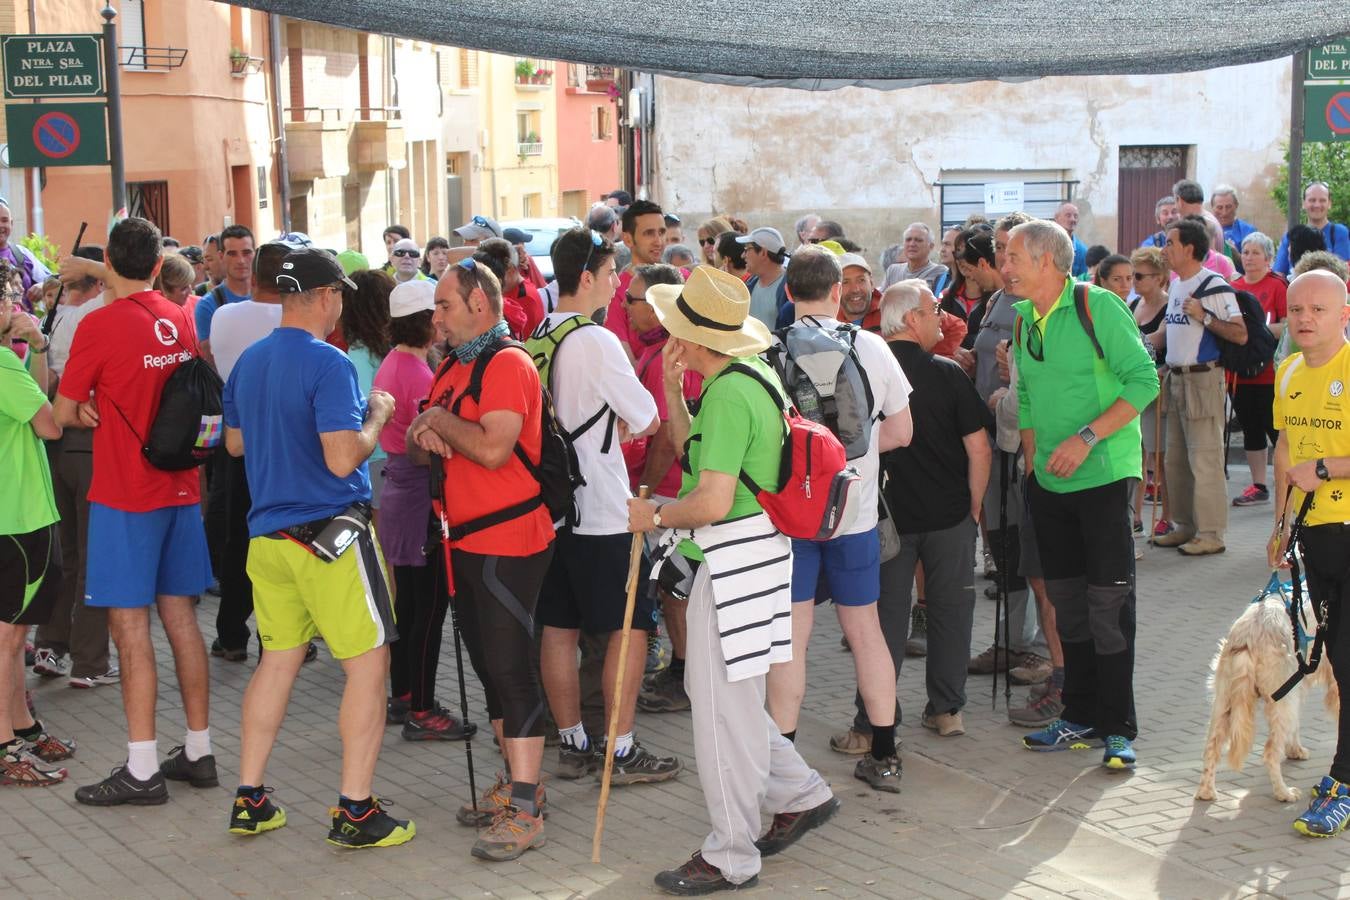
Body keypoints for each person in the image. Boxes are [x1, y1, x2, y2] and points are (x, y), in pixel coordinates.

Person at [628, 265, 837, 895]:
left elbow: (711, 498)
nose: (670, 339)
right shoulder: (752, 376)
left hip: (730, 559)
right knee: (735, 701)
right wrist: (673, 394)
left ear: (693, 339)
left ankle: (731, 855)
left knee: (719, 712)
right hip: (760, 555)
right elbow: (706, 457)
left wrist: (654, 514)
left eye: (676, 332)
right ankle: (800, 793)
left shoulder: (726, 392)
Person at [221, 246, 410, 848]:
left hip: (268, 539)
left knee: (277, 661)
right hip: (328, 535)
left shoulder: (250, 361)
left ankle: (250, 799)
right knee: (367, 664)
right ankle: (355, 810)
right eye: (338, 298)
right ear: (326, 296)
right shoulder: (329, 364)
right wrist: (377, 413)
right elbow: (342, 456)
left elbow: (232, 445)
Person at [55, 217, 216, 806]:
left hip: (126, 493)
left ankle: (142, 767)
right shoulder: (180, 315)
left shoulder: (98, 325)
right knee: (181, 620)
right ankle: (199, 750)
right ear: (158, 266)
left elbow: (65, 409)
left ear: (111, 265)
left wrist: (89, 410)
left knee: (128, 629)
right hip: (180, 488)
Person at [404, 257, 554, 862]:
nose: (434, 316)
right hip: (461, 540)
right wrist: (426, 431)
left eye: (443, 305)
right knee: (490, 669)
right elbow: (424, 447)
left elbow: (492, 449)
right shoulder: (451, 366)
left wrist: (437, 422)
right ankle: (519, 785)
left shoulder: (508, 363)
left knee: (512, 668)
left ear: (479, 305)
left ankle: (526, 805)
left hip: (509, 540)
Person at [1005, 219, 1158, 771]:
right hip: (1048, 485)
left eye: (1015, 256)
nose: (1006, 266)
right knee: (1067, 604)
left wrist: (1086, 436)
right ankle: (1078, 717)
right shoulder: (1025, 322)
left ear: (1048, 261)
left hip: (1103, 479)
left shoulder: (1098, 307)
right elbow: (1025, 400)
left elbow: (1145, 381)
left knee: (1108, 608)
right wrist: (1032, 462)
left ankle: (1118, 729)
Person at [529, 228, 680, 785]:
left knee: (558, 627)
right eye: (613, 273)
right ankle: (621, 748)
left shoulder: (540, 332)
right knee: (629, 628)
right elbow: (645, 419)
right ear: (587, 277)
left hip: (553, 508)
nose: (619, 284)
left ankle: (572, 741)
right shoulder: (596, 341)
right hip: (602, 507)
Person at [762, 246, 912, 792]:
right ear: (835, 292)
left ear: (787, 293)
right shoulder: (870, 345)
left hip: (793, 520)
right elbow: (901, 433)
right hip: (855, 515)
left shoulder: (769, 351)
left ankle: (783, 762)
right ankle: (886, 752)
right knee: (866, 632)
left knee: (791, 640)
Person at [873, 278, 990, 739]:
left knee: (881, 621)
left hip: (886, 519)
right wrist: (974, 507)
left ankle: (874, 718)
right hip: (949, 518)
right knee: (951, 615)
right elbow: (979, 448)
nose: (941, 316)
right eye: (934, 308)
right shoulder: (947, 373)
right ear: (911, 319)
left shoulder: (866, 371)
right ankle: (946, 711)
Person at [373, 280, 473, 741]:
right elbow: (427, 446)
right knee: (429, 608)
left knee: (410, 606)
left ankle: (405, 695)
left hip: (399, 494)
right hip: (418, 498)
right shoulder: (416, 373)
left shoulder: (396, 362)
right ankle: (423, 708)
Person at [1269, 269, 1350, 837]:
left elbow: (1310, 463)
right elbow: (1286, 450)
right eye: (1297, 309)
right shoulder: (1290, 371)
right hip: (1315, 532)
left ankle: (1343, 782)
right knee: (1337, 663)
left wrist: (1324, 470)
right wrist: (1280, 525)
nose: (1304, 319)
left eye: (1318, 309)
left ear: (1344, 313)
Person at [968, 212, 1059, 713]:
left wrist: (1010, 387)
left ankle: (1042, 655)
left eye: (1011, 252)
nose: (1003, 262)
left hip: (1029, 451)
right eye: (1000, 252)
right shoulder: (1001, 301)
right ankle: (1009, 641)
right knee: (1006, 549)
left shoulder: (1047, 309)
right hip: (997, 439)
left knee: (1038, 559)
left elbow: (1031, 389)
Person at [0, 265, 72, 787]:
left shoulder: (11, 362)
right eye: (6, 296)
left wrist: (37, 349)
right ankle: (4, 744)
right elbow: (50, 422)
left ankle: (20, 726)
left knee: (16, 632)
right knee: (5, 639)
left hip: (19, 514)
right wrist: (35, 348)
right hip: (18, 516)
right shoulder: (4, 364)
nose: (14, 302)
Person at [34, 247, 116, 689]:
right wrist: (94, 268)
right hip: (88, 440)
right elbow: (130, 286)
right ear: (96, 284)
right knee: (90, 558)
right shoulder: (91, 314)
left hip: (57, 443)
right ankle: (90, 662)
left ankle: (50, 644)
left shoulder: (56, 318)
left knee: (65, 556)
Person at [206, 241, 290, 662]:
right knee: (284, 539)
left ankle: (231, 633)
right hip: (285, 445)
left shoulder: (223, 315)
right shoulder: (297, 320)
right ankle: (282, 636)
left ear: (254, 275)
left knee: (238, 540)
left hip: (236, 439)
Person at [625, 264, 703, 714]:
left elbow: (666, 435)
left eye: (634, 300)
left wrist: (646, 491)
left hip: (670, 492)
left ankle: (684, 672)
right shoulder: (662, 351)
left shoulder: (666, 358)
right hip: (676, 491)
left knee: (674, 588)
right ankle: (684, 667)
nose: (626, 306)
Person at [1149, 217, 1248, 555]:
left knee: (1205, 459)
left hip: (1204, 380)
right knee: (1176, 460)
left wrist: (1204, 315)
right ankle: (1185, 526)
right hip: (1177, 378)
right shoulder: (1178, 284)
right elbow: (1167, 331)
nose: (1165, 249)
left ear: (1189, 248)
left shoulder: (1214, 284)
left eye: (1171, 243)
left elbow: (1239, 332)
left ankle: (1211, 533)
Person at [1230, 232, 1287, 507]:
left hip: (1270, 373)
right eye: (1245, 251)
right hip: (1241, 374)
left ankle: (1287, 483)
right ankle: (1259, 485)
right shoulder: (1233, 285)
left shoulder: (1278, 285)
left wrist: (1256, 332)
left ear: (1268, 257)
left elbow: (1287, 324)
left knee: (1276, 430)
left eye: (1255, 252)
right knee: (1251, 429)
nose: (1249, 257)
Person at [341, 269, 394, 533]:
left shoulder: (360, 353)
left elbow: (358, 411)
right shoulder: (398, 348)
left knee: (387, 552)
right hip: (398, 457)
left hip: (377, 460)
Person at [1128, 247, 1173, 539]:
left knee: (1159, 457)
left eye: (1140, 276)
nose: (1134, 281)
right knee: (1137, 454)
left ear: (1159, 278)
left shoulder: (1171, 307)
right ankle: (1136, 515)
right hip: (1136, 385)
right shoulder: (1134, 305)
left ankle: (1168, 515)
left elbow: (1158, 341)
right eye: (1133, 275)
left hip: (1159, 385)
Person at [602, 199, 668, 358]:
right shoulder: (616, 292)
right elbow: (624, 359)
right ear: (628, 239)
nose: (658, 241)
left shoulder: (682, 279)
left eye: (662, 232)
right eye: (649, 233)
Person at [194, 224, 254, 368]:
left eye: (246, 252)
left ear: (255, 254)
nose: (240, 260)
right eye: (232, 254)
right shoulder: (208, 305)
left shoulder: (271, 298)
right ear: (222, 256)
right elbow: (212, 363)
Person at [1275, 183, 1350, 275]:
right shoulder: (1292, 236)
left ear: (1329, 204)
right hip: (1296, 287)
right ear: (1303, 203)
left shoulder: (1339, 233)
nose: (1317, 205)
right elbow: (1279, 273)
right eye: (1312, 200)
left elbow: (1343, 271)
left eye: (1322, 200)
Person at [739, 227, 789, 329]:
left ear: (763, 253)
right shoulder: (749, 285)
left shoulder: (791, 288)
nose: (743, 255)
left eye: (747, 249)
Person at [0, 199, 52, 295]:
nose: (0, 225)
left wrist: (42, 286)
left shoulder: (21, 253)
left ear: (11, 224)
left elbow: (53, 281)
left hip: (25, 310)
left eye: (4, 220)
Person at [883, 223, 947, 295]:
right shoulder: (893, 271)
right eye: (908, 239)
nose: (912, 244)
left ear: (931, 246)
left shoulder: (939, 272)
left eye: (918, 240)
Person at [1211, 184, 1257, 252]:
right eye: (1219, 207)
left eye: (1228, 207)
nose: (1224, 213)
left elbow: (1254, 261)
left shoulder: (1248, 231)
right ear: (1212, 207)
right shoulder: (1206, 230)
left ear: (1236, 205)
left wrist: (1235, 254)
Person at [1053, 202, 1089, 278]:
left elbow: (1083, 282)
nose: (1073, 219)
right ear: (1056, 218)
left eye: (1075, 216)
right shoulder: (1045, 245)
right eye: (1068, 215)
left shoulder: (1082, 251)